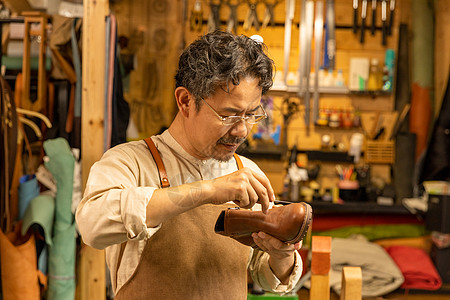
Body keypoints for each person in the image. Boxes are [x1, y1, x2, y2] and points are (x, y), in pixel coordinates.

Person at [76, 30, 303, 299]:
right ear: (185, 101)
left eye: (251, 114)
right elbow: (91, 225)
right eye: (229, 115)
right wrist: (207, 191)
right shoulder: (130, 162)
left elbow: (265, 275)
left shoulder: (247, 173)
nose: (242, 130)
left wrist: (282, 254)